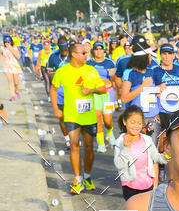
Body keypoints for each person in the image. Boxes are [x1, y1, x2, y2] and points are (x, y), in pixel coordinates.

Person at [50, 42, 110, 194]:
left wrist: (91, 90)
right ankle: (77, 179)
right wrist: (56, 109)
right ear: (74, 54)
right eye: (83, 53)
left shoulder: (90, 70)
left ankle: (87, 176)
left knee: (89, 147)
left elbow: (103, 89)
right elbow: (53, 89)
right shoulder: (62, 71)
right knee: (74, 145)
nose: (86, 55)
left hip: (89, 116)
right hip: (71, 115)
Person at [113, 104, 163, 199]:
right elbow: (119, 165)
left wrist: (155, 184)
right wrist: (126, 148)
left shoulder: (147, 140)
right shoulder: (120, 142)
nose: (136, 126)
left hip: (147, 184)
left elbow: (154, 160)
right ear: (125, 121)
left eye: (139, 123)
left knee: (146, 207)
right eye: (132, 122)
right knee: (133, 208)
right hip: (130, 186)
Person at [153, 42, 179, 135]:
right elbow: (147, 89)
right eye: (164, 54)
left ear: (173, 55)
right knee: (162, 137)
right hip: (161, 111)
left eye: (169, 54)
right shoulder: (154, 71)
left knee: (177, 135)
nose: (167, 57)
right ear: (160, 55)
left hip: (178, 109)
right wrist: (156, 88)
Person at [120, 38, 158, 137]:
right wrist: (142, 86)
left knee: (152, 145)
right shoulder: (129, 73)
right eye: (149, 56)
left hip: (153, 117)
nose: (151, 59)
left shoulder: (152, 71)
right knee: (136, 145)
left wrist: (159, 89)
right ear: (144, 57)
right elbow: (124, 98)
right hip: (136, 119)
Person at [87, 41, 116, 152]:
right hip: (95, 94)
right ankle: (101, 144)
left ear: (104, 50)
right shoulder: (88, 63)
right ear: (93, 50)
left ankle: (109, 133)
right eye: (96, 49)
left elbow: (114, 80)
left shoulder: (109, 63)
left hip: (108, 94)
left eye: (101, 49)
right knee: (97, 119)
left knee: (108, 121)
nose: (99, 51)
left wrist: (112, 75)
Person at [1, 36, 22, 100]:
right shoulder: (2, 48)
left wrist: (11, 48)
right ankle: (13, 96)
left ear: (10, 42)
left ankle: (17, 90)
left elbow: (18, 56)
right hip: (7, 66)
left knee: (16, 82)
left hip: (15, 65)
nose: (7, 43)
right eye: (5, 42)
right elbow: (1, 56)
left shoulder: (14, 47)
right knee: (10, 82)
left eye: (8, 42)